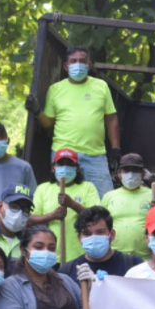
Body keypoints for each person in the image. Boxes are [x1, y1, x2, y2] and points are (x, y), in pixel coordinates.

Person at [28, 45, 120, 198]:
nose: (78, 64)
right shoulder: (55, 89)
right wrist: (37, 111)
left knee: (105, 200)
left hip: (95, 155)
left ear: (88, 65)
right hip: (64, 155)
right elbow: (48, 123)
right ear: (65, 66)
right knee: (62, 199)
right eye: (73, 61)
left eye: (82, 61)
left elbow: (111, 118)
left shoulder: (101, 86)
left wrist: (116, 149)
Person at [30, 149, 100, 264]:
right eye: (61, 164)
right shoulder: (43, 189)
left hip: (80, 255)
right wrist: (52, 215)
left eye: (69, 164)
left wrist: (72, 204)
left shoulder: (88, 187)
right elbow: (31, 220)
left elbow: (96, 217)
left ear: (77, 168)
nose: (65, 168)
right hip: (49, 256)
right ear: (53, 168)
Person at [101, 153, 155, 260]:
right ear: (119, 173)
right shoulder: (109, 197)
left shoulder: (154, 196)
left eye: (135, 170)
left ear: (143, 173)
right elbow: (101, 226)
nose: (131, 174)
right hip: (114, 258)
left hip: (145, 259)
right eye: (126, 170)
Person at [0, 184, 34, 269]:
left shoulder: (28, 242)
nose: (20, 214)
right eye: (14, 206)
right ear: (0, 206)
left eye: (26, 210)